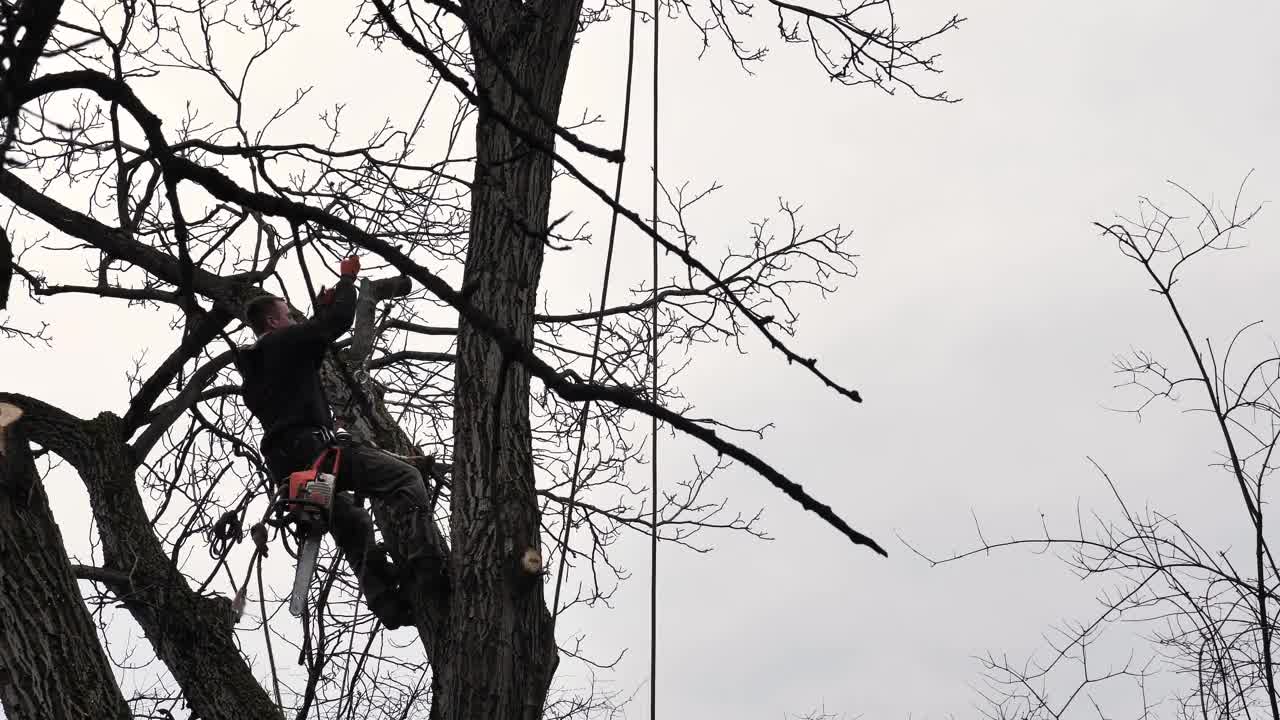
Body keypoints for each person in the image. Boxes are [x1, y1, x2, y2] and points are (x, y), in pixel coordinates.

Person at [234, 255, 430, 629]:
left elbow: (304, 354)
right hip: (315, 453)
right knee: (405, 479)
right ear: (274, 322)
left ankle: (387, 602)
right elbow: (336, 323)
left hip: (289, 469)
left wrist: (311, 321)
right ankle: (425, 562)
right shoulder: (284, 342)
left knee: (353, 525)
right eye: (288, 316)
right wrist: (347, 281)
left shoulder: (258, 368)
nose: (293, 321)